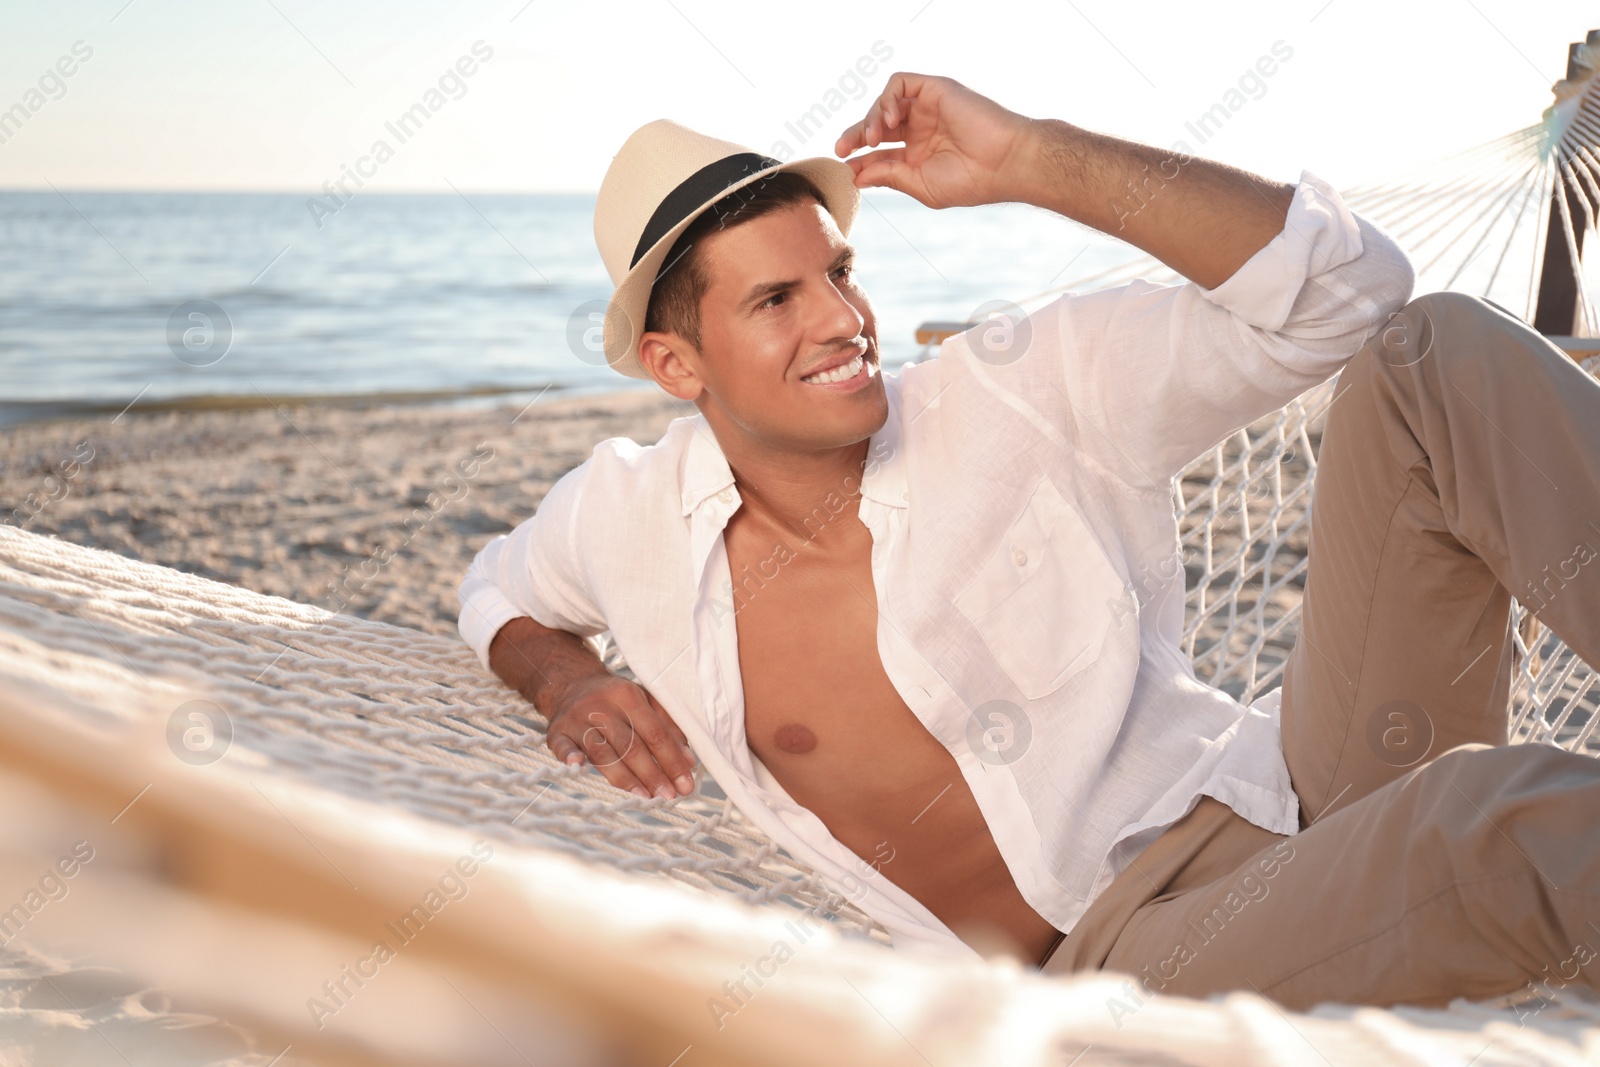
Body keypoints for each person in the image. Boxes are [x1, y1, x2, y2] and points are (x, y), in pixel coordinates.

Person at [457, 72, 1600, 1009]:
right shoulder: (629, 520)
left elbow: (1350, 293)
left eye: (840, 274)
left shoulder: (1011, 393)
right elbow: (498, 588)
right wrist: (566, 680)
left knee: (1431, 354)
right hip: (1129, 962)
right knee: (1500, 826)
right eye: (774, 301)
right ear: (675, 364)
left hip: (1287, 786)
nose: (841, 322)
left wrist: (1032, 162)